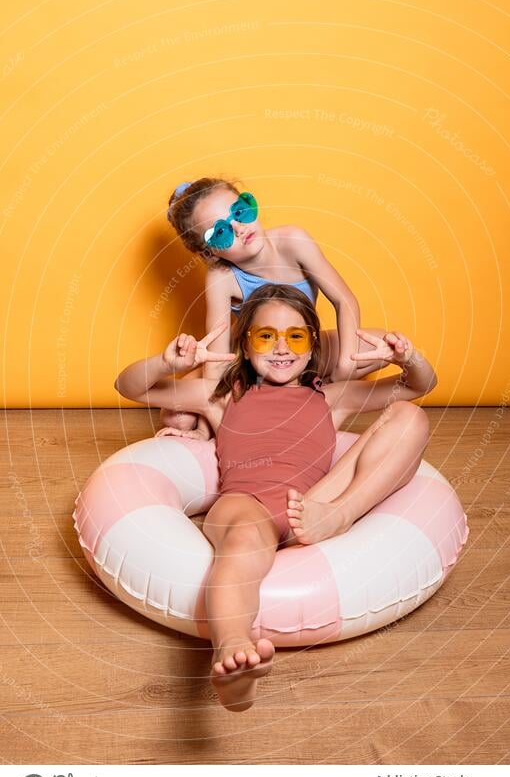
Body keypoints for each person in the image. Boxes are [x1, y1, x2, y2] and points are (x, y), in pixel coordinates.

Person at [115, 284, 436, 712]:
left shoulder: (332, 396)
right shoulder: (222, 396)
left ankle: (341, 515)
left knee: (409, 418)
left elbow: (419, 386)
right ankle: (233, 653)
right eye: (266, 336)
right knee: (245, 538)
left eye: (296, 336)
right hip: (246, 501)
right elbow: (129, 387)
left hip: (316, 502)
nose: (281, 347)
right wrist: (167, 363)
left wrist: (406, 357)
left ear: (312, 347)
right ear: (246, 345)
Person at [158, 177, 388, 436]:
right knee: (176, 417)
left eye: (241, 212)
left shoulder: (293, 240)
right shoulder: (221, 278)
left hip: (303, 351)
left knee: (382, 346)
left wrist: (347, 362)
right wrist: (207, 431)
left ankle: (308, 390)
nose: (239, 228)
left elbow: (344, 300)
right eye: (221, 232)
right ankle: (274, 394)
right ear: (209, 253)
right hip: (249, 363)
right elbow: (219, 359)